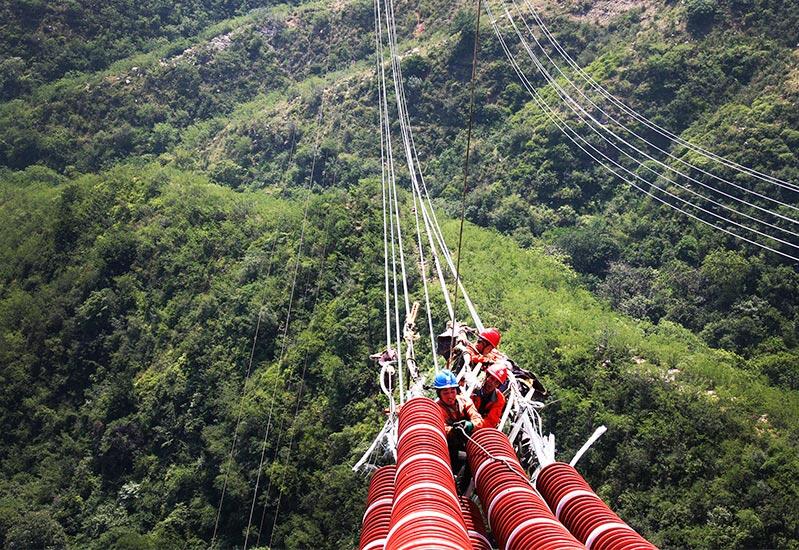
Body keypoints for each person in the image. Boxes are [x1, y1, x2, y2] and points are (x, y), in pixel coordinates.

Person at [433, 369, 483, 474]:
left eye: (452, 391)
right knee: (465, 460)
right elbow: (440, 429)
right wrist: (452, 431)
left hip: (467, 442)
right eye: (445, 393)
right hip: (448, 448)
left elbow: (478, 420)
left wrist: (470, 425)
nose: (450, 396)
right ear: (439, 394)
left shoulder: (464, 401)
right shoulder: (437, 409)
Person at [471, 362, 508, 429]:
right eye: (492, 378)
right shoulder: (473, 387)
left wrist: (474, 425)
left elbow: (491, 421)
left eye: (496, 382)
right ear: (487, 376)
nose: (492, 383)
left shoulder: (499, 399)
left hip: (479, 426)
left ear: (498, 385)